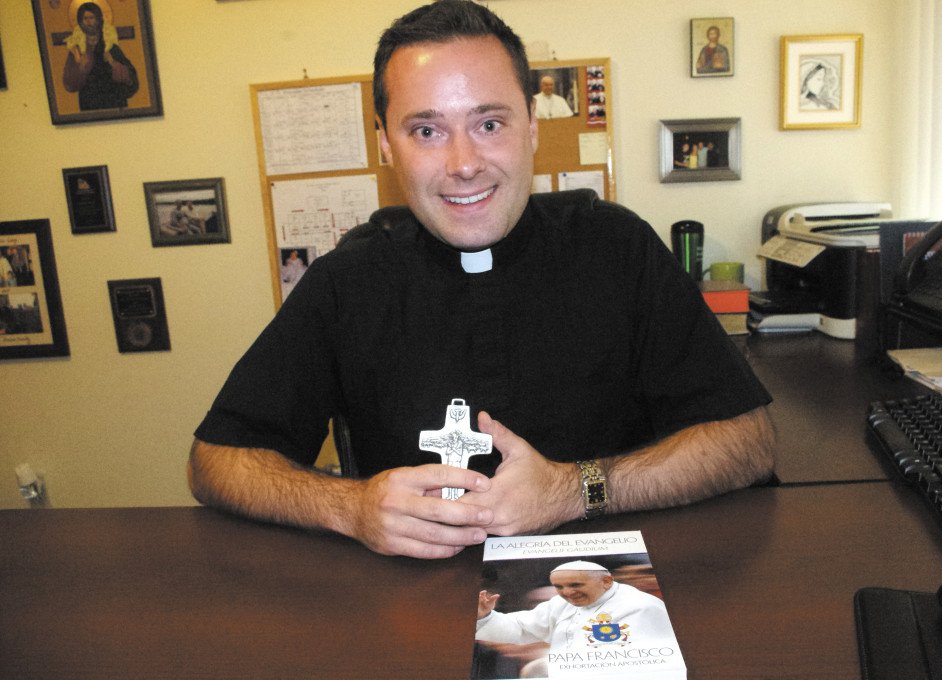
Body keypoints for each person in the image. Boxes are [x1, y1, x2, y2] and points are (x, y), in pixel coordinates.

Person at [188, 0, 775, 561]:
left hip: (602, 591)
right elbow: (214, 461)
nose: (463, 163)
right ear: (385, 145)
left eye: (489, 123)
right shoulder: (345, 282)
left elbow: (747, 439)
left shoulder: (619, 249)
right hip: (410, 609)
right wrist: (351, 506)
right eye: (426, 131)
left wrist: (576, 489)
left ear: (532, 126)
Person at [476, 561, 682, 675]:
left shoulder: (641, 604)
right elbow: (519, 628)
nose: (569, 592)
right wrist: (486, 617)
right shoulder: (556, 607)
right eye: (563, 586)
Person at [61, 2, 139, 111]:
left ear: (99, 20)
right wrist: (81, 68)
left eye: (91, 18)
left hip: (113, 103)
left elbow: (132, 82)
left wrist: (113, 63)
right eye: (85, 18)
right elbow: (69, 84)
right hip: (89, 106)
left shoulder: (110, 47)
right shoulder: (77, 49)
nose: (88, 22)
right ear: (80, 22)